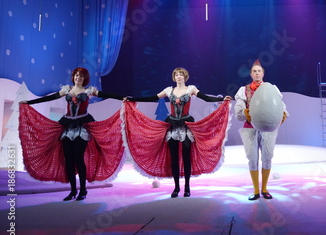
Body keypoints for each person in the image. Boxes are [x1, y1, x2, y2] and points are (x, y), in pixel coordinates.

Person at [19, 67, 125, 201]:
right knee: (68, 160)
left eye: (81, 76)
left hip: (83, 126)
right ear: (73, 77)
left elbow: (106, 94)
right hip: (67, 126)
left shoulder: (89, 91)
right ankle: (73, 191)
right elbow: (50, 98)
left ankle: (83, 190)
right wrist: (29, 103)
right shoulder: (67, 90)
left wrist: (123, 98)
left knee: (78, 158)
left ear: (84, 78)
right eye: (76, 76)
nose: (78, 78)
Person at [125, 67, 232, 198]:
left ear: (185, 77)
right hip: (173, 126)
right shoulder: (169, 90)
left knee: (187, 158)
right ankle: (176, 188)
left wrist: (221, 100)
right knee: (174, 159)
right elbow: (152, 97)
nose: (179, 76)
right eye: (176, 74)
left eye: (181, 74)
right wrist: (132, 99)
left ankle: (187, 187)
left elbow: (205, 98)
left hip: (186, 126)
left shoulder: (191, 89)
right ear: (174, 77)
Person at [234, 60, 288, 201]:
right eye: (254, 71)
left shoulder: (272, 89)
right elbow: (239, 113)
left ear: (263, 73)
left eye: (259, 71)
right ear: (251, 74)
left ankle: (265, 188)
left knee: (267, 157)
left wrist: (282, 114)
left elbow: (280, 105)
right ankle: (256, 190)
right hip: (249, 128)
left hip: (268, 129)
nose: (257, 73)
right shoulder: (244, 90)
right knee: (252, 159)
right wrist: (245, 112)